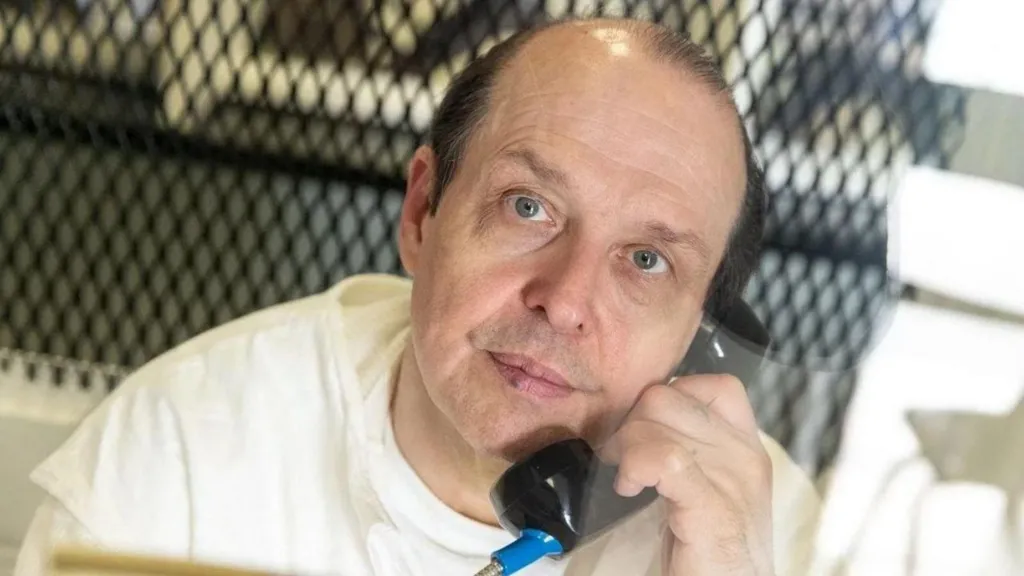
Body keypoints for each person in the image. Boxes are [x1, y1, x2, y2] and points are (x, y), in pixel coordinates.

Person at [14, 17, 822, 576]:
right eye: (528, 207)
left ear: (699, 333)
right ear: (420, 213)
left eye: (645, 259)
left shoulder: (756, 526)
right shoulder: (182, 450)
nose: (565, 300)